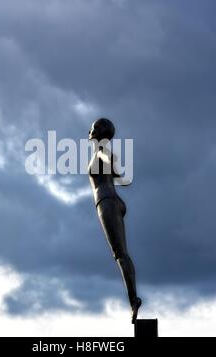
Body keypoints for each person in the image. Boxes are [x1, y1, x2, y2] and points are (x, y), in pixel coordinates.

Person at [88, 118, 142, 323]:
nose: (89, 131)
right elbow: (121, 178)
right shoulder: (99, 153)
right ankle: (133, 299)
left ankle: (133, 300)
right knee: (120, 254)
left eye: (93, 128)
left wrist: (108, 158)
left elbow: (108, 158)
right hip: (111, 200)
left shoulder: (102, 151)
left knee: (120, 254)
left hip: (106, 201)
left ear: (100, 132)